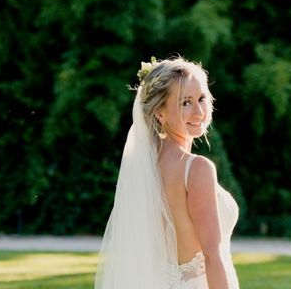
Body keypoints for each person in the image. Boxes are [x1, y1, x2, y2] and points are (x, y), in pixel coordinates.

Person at [95, 57, 239, 289]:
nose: (198, 111)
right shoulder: (197, 168)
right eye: (185, 103)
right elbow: (213, 256)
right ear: (160, 113)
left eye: (201, 99)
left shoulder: (146, 168)